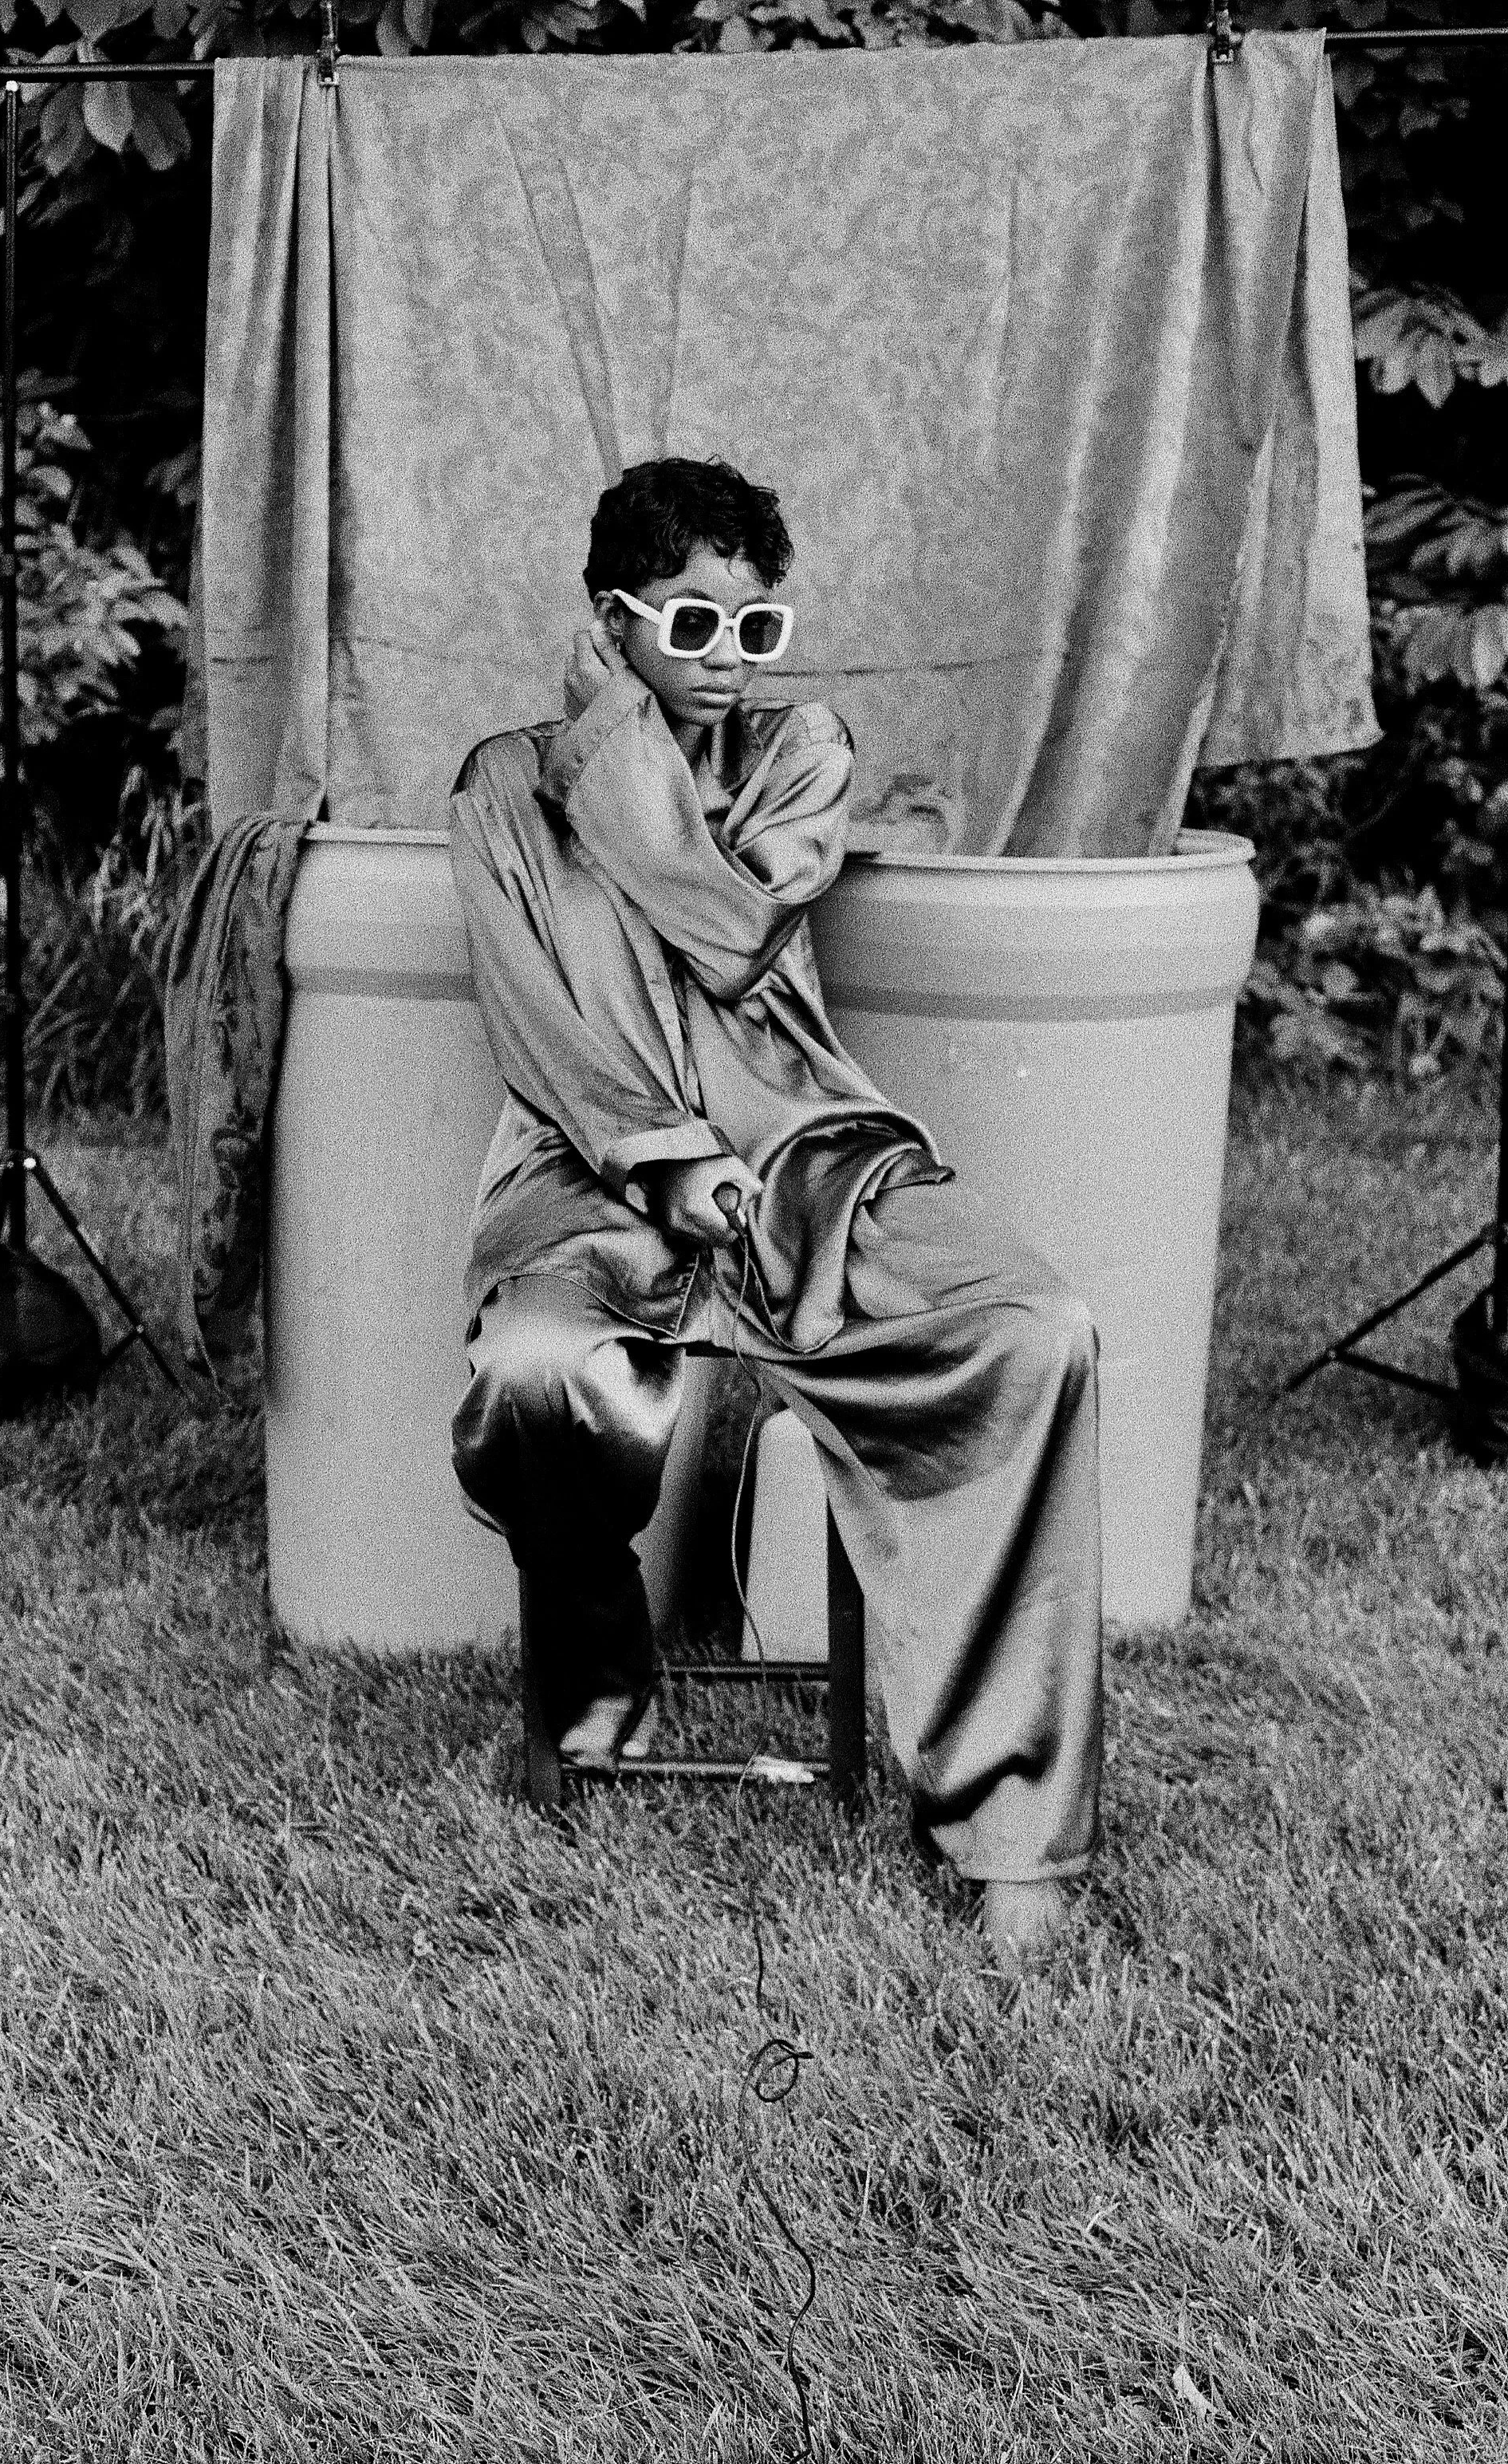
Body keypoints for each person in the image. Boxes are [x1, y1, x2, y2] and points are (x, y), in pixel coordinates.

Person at [447, 456, 1102, 1957]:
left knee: (1032, 1325)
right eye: (689, 629)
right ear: (610, 623)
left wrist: (622, 744)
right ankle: (592, 1685)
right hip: (584, 1172)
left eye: (756, 629)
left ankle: (1014, 1835)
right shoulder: (500, 782)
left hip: (807, 1153)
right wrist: (664, 1161)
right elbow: (539, 1012)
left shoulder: (801, 749)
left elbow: (731, 939)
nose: (728, 670)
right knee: (538, 1373)